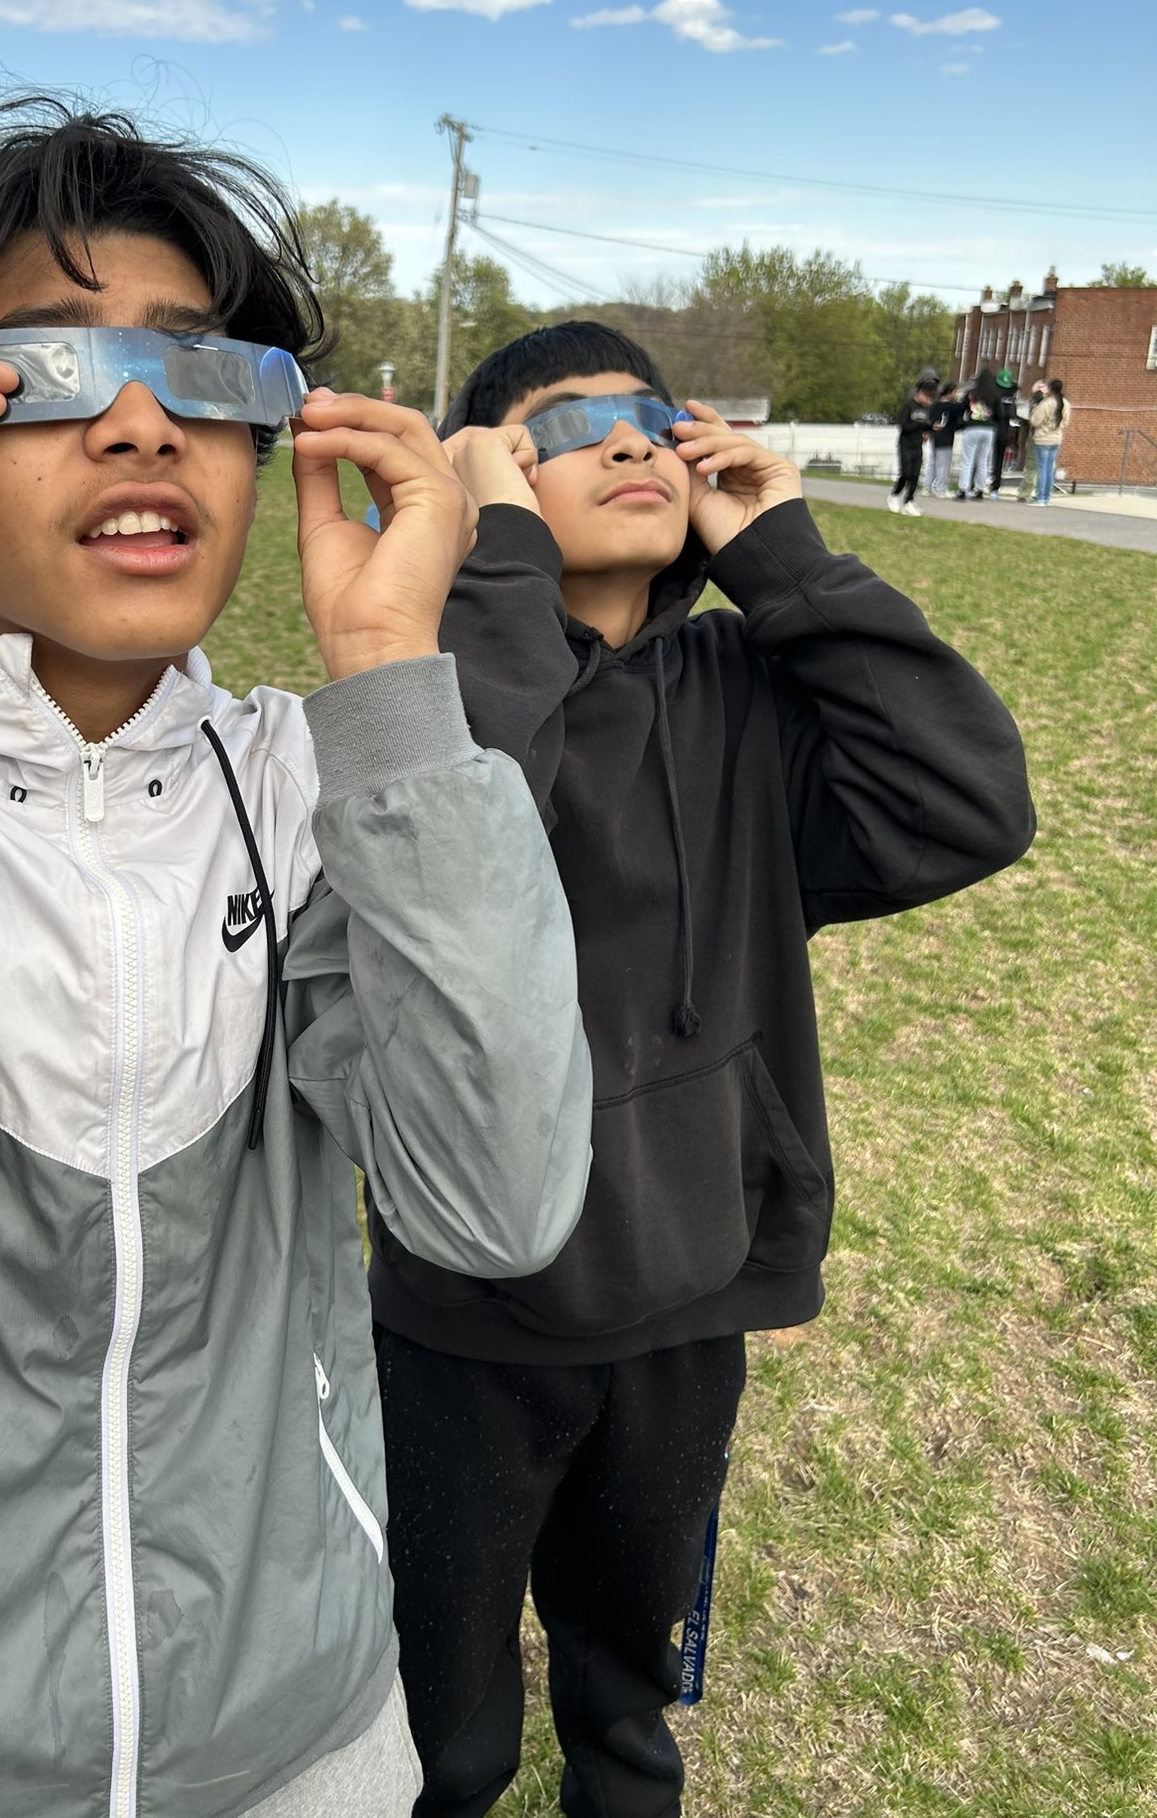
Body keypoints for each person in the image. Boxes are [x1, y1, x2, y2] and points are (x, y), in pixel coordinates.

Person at [0, 97, 594, 1818]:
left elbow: (495, 1205)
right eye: (50, 370)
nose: (146, 421)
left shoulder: (331, 786)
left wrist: (392, 687)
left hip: (299, 1743)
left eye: (209, 373)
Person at [371, 319, 1036, 1818]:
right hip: (465, 1321)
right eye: (570, 424)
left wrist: (785, 559)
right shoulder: (424, 684)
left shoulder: (754, 687)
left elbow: (970, 804)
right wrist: (492, 562)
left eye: (653, 419)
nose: (628, 441)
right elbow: (447, 834)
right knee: (443, 1720)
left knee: (628, 1696)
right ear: (491, 480)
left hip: (690, 1293)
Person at [888, 373, 935, 515]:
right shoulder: (909, 405)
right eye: (927, 397)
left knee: (915, 474)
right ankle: (894, 495)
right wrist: (920, 425)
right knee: (906, 473)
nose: (928, 401)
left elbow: (925, 425)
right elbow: (904, 425)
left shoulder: (926, 409)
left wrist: (930, 428)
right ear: (920, 394)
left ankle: (909, 501)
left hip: (918, 444)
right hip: (905, 443)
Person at [954, 371, 998, 499]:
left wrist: (962, 422)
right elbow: (999, 413)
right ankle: (980, 489)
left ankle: (963, 488)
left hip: (972, 427)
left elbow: (961, 408)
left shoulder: (971, 394)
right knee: (983, 461)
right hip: (988, 429)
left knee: (967, 460)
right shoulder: (994, 395)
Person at [1027, 378, 1070, 505]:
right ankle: (1046, 496)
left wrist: (1034, 409)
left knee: (1042, 468)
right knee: (1049, 468)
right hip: (1056, 438)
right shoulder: (1065, 403)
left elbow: (1035, 421)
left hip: (1043, 439)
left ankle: (1040, 497)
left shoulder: (1046, 403)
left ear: (1050, 389)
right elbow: (1065, 422)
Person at [926, 380, 962, 495]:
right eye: (956, 392)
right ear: (951, 392)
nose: (957, 394)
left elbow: (930, 419)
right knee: (944, 464)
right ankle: (941, 488)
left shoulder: (935, 405)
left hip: (934, 436)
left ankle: (927, 486)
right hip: (946, 437)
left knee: (932, 462)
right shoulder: (952, 407)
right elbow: (958, 423)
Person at [987, 368, 1018, 499]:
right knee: (999, 462)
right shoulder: (1011, 397)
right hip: (1004, 432)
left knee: (985, 460)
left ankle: (980, 484)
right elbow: (1013, 415)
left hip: (991, 429)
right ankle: (995, 488)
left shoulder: (992, 395)